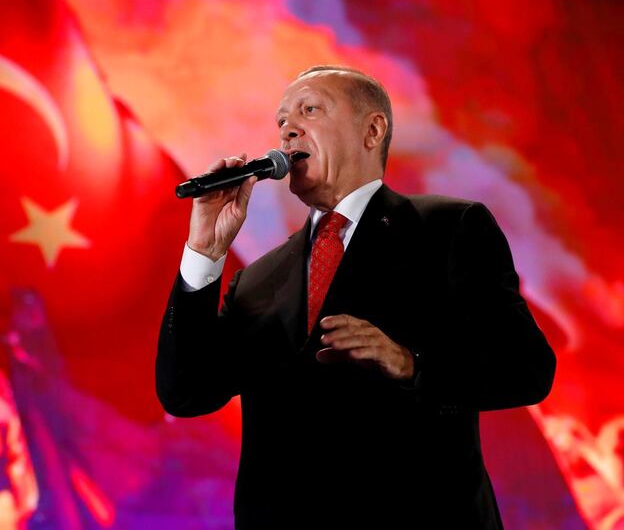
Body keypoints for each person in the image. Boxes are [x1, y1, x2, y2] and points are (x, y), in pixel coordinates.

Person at [156, 65, 555, 529]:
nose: (288, 129)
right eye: (282, 121)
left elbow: (527, 369)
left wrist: (411, 361)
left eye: (310, 109)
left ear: (372, 130)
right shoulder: (258, 280)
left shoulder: (448, 229)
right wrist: (203, 252)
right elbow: (185, 392)